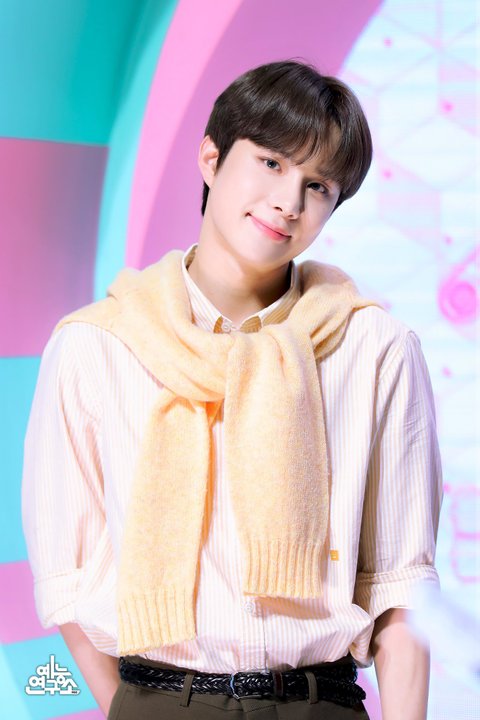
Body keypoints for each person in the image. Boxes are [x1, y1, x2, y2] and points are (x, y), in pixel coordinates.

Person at [22, 59, 443, 719]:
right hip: (160, 698)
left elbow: (401, 588)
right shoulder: (96, 346)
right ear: (211, 158)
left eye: (317, 185)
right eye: (271, 163)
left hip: (318, 701)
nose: (288, 202)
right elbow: (67, 580)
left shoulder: (375, 348)